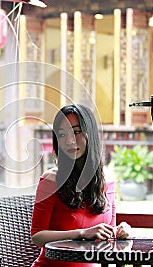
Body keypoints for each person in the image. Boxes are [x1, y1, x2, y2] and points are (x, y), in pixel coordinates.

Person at [30, 104, 131, 267]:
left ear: (90, 134)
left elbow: (108, 235)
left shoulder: (108, 182)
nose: (69, 140)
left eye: (76, 132)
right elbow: (37, 236)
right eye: (62, 135)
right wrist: (81, 234)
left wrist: (121, 232)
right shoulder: (51, 181)